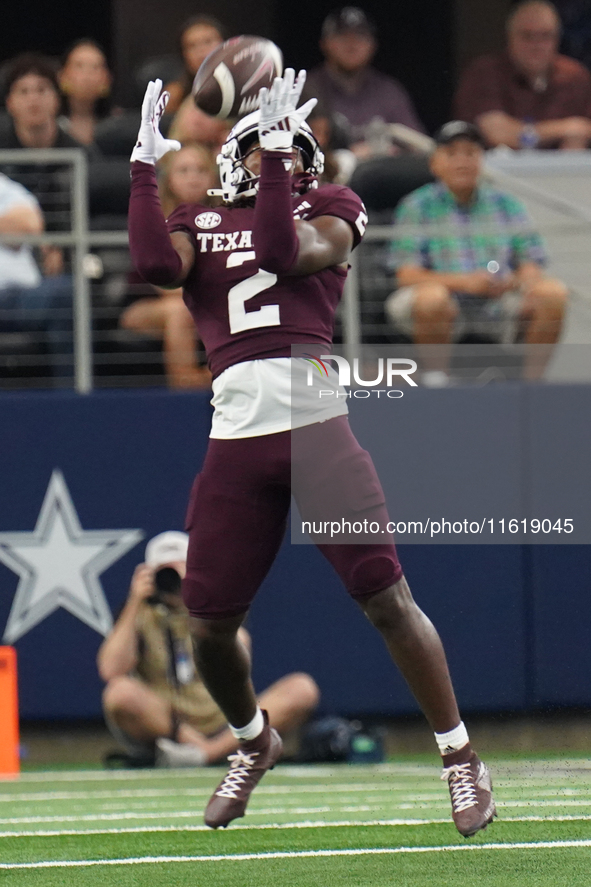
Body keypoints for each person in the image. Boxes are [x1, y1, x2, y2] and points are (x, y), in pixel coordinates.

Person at [127, 72, 496, 837]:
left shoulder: (332, 206)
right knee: (206, 621)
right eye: (271, 149)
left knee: (384, 598)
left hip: (314, 427)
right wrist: (141, 167)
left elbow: (279, 247)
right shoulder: (195, 215)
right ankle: (252, 739)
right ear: (234, 155)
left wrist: (269, 163)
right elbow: (157, 269)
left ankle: (459, 755)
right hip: (234, 435)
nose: (288, 160)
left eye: (295, 151)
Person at [98, 531, 319, 767]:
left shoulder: (213, 608)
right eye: (165, 572)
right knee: (119, 693)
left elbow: (239, 656)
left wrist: (196, 598)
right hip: (170, 726)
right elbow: (111, 670)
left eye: (180, 568)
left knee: (301, 688)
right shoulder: (140, 614)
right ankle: (200, 750)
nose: (173, 579)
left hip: (226, 724)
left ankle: (209, 754)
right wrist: (135, 600)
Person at [385, 120, 567, 378]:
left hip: (499, 301)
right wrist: (465, 283)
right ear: (434, 163)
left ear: (481, 160)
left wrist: (512, 281)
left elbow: (531, 263)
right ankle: (437, 381)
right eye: (452, 154)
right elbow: (406, 275)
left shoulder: (506, 204)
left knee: (553, 293)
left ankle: (533, 387)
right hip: (443, 303)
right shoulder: (416, 206)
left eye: (470, 153)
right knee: (431, 298)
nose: (462, 161)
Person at [120, 143, 216, 388]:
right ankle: (184, 380)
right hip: (145, 308)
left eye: (201, 170)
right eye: (184, 171)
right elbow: (169, 286)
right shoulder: (153, 218)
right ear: (169, 177)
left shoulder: (226, 218)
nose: (193, 178)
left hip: (202, 303)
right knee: (179, 309)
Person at [0, 53, 98, 276]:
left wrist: (62, 249)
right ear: (10, 103)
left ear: (56, 99)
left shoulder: (82, 153)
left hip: (70, 254)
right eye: (23, 91)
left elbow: (89, 214)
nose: (33, 99)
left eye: (42, 90)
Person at [454, 0, 591, 149]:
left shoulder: (576, 77)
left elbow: (583, 135)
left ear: (557, 38)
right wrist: (566, 128)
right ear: (510, 37)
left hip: (562, 170)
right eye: (527, 36)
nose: (536, 45)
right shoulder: (484, 73)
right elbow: (497, 134)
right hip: (496, 170)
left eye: (545, 36)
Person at [303, 7, 424, 157]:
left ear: (373, 45)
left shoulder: (389, 91)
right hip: (326, 175)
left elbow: (421, 147)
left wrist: (383, 151)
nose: (351, 44)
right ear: (324, 44)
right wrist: (350, 154)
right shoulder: (306, 88)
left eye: (360, 36)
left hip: (379, 175)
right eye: (342, 36)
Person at [0, 172, 72, 378]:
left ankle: (72, 402)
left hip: (18, 296)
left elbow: (29, 224)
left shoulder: (3, 186)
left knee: (65, 293)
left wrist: (15, 230)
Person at [164, 15, 225, 115]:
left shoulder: (245, 86)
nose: (201, 51)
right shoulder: (174, 95)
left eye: (208, 42)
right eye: (192, 46)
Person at [58, 39, 115, 146]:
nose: (87, 75)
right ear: (62, 76)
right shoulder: (52, 127)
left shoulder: (117, 126)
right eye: (79, 66)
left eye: (95, 67)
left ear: (107, 78)